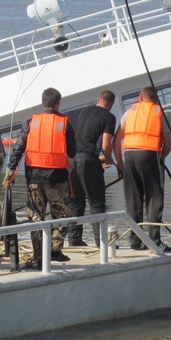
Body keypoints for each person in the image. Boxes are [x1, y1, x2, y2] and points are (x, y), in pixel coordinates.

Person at [4, 87, 77, 267]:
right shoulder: (65, 123)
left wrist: (10, 170)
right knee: (62, 214)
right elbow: (73, 151)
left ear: (43, 103)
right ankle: (54, 250)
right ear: (58, 103)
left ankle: (39, 256)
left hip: (34, 178)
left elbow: (18, 147)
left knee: (35, 216)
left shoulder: (31, 122)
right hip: (57, 178)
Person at [114, 86, 171, 252]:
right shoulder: (159, 113)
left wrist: (120, 162)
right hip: (149, 155)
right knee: (154, 198)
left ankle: (135, 242)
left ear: (141, 97)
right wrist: (160, 158)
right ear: (156, 99)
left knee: (133, 199)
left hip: (129, 157)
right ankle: (155, 242)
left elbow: (117, 140)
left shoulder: (129, 113)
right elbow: (168, 144)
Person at [67, 90, 117, 248]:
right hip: (88, 161)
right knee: (96, 203)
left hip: (73, 160)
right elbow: (105, 144)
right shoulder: (109, 117)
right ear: (111, 104)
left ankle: (74, 241)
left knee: (76, 202)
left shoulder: (84, 112)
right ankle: (101, 243)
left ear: (98, 100)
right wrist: (108, 160)